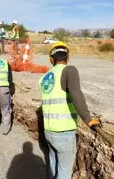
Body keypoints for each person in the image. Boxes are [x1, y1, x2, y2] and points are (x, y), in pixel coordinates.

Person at [39, 41, 101, 179]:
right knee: (64, 171)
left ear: (51, 59)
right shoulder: (69, 70)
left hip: (49, 130)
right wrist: (88, 120)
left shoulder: (44, 78)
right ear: (68, 58)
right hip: (64, 132)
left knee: (53, 164)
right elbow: (76, 94)